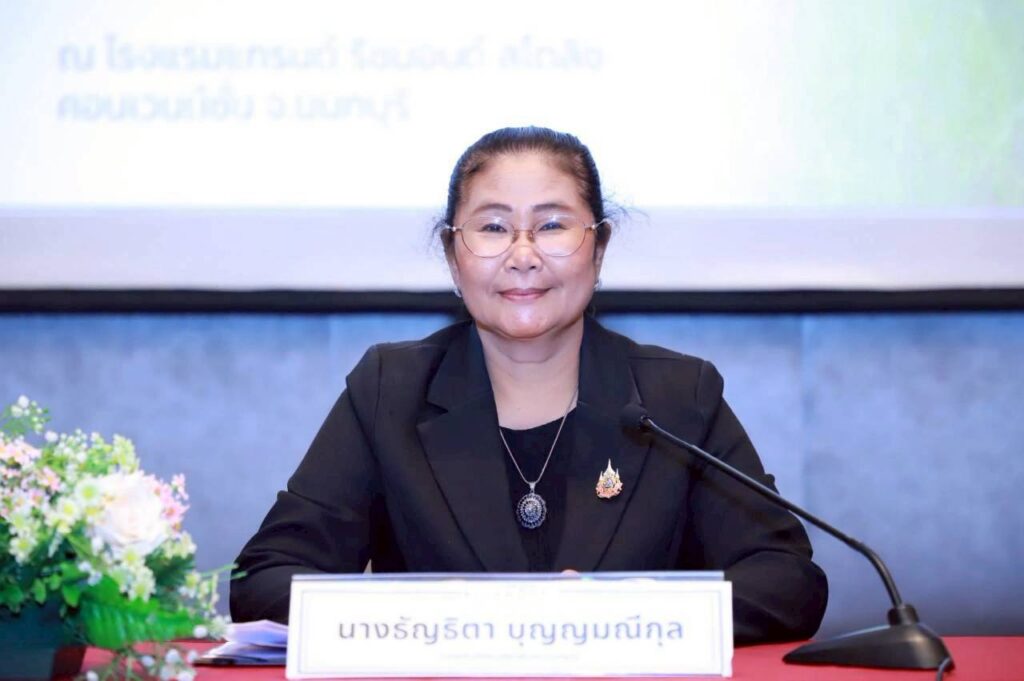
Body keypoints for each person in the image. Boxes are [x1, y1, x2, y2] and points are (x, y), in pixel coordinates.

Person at [230, 126, 828, 644]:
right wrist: (439, 615)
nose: (522, 255)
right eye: (493, 227)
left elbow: (786, 581)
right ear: (452, 256)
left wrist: (622, 611)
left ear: (599, 250)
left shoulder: (676, 396)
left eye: (552, 225)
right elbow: (263, 580)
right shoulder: (390, 390)